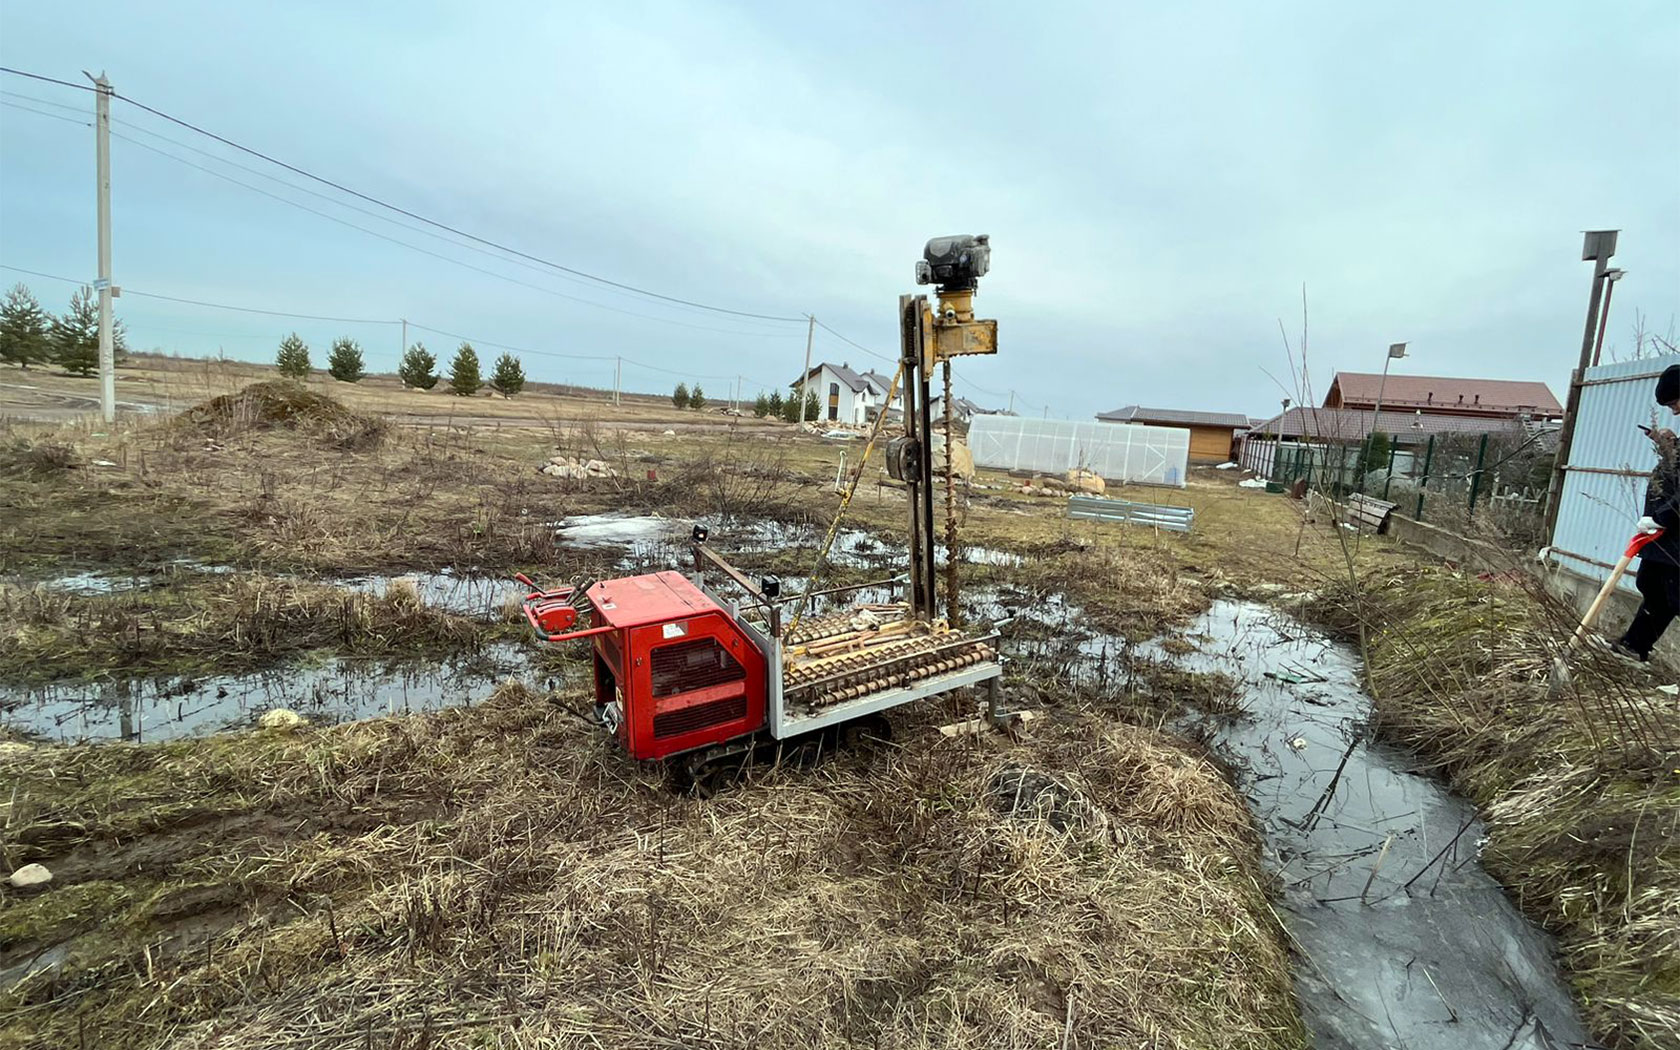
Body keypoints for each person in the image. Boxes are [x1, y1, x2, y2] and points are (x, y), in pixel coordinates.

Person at [1615, 364, 1680, 661]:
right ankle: (1633, 646)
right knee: (1652, 585)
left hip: (1672, 530)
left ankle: (1634, 647)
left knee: (1672, 594)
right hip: (1665, 535)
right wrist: (1671, 446)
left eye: (1674, 402)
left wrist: (1661, 517)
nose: (1675, 412)